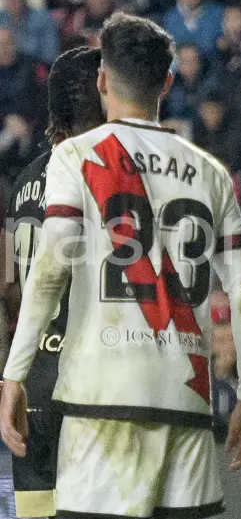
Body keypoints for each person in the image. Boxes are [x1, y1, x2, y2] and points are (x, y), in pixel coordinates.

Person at [0, 12, 241, 518]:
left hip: (100, 401)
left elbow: (52, 267)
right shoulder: (210, 173)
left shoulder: (75, 156)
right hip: (186, 400)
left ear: (102, 80)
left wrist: (14, 374)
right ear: (167, 81)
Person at [3, 45, 104, 518]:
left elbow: (11, 288)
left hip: (36, 378)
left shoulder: (26, 177)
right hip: (96, 382)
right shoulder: (105, 176)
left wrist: (13, 373)